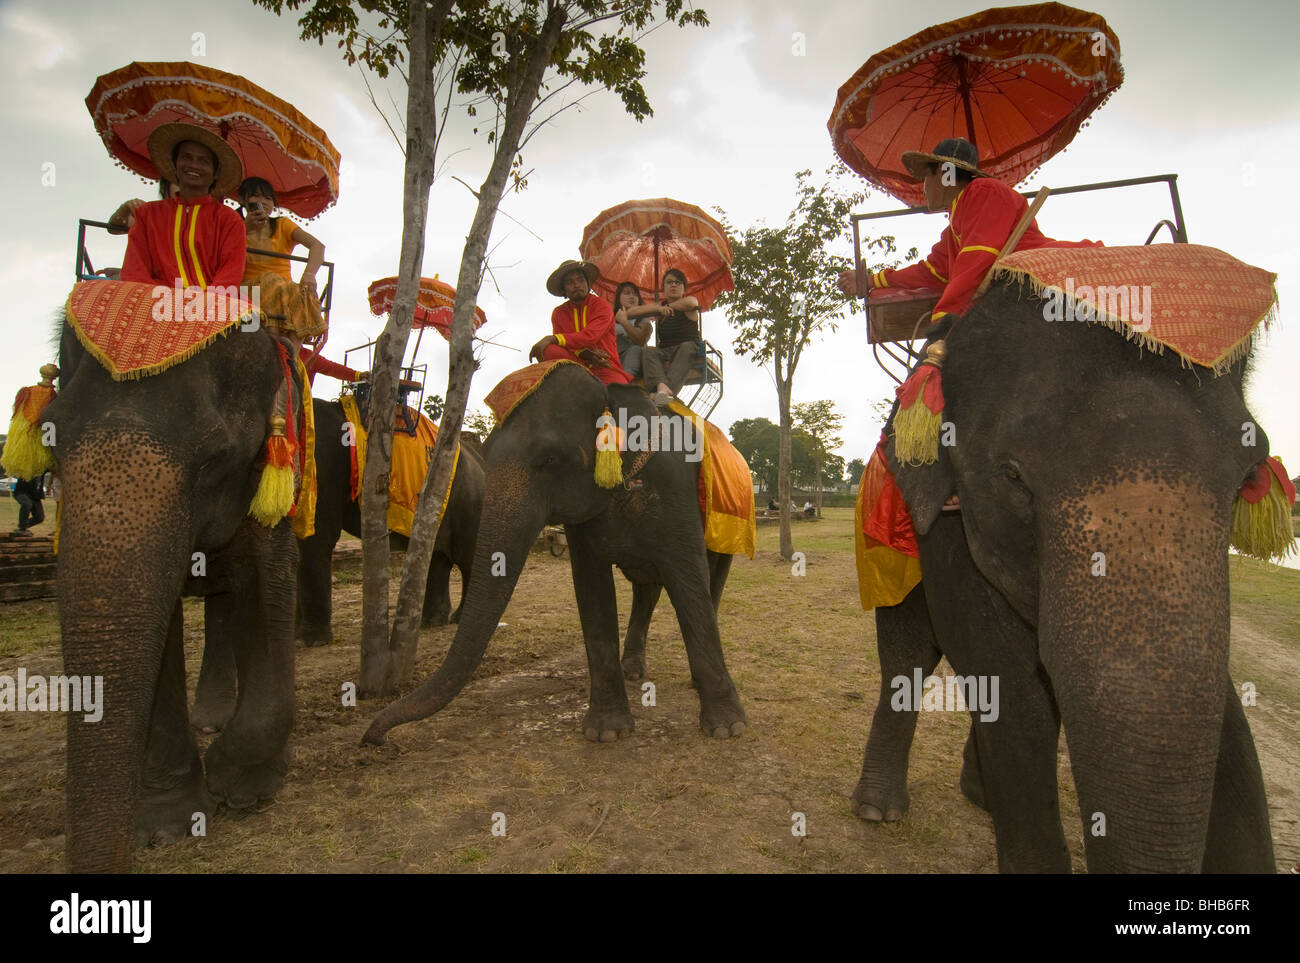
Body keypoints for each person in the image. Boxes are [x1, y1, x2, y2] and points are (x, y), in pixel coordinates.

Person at [837, 138, 1100, 323]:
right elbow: (931, 272)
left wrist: (945, 321)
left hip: (1041, 275)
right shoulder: (955, 225)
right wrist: (872, 280)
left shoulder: (982, 191)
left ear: (943, 174)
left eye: (924, 178)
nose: (923, 187)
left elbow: (977, 259)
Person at [120, 122, 246, 291]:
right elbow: (134, 271)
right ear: (175, 164)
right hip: (154, 302)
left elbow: (230, 274)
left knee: (252, 317)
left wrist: (203, 305)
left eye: (204, 161)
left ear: (215, 173)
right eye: (187, 157)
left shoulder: (229, 219)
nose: (193, 165)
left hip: (214, 305)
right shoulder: (147, 214)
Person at [240, 176, 327, 350]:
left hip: (285, 291)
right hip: (248, 291)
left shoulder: (282, 224)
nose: (262, 202)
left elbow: (317, 246)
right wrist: (245, 228)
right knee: (271, 280)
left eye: (268, 198)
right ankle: (272, 345)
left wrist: (309, 274)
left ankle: (291, 354)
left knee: (301, 290)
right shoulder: (235, 225)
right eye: (255, 196)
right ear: (243, 200)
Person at [529, 260, 631, 386]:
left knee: (624, 401)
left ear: (588, 284)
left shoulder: (602, 305)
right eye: (570, 282)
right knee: (549, 350)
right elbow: (564, 346)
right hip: (576, 364)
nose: (576, 285)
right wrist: (583, 353)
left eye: (580, 280)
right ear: (563, 289)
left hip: (604, 365)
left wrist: (552, 338)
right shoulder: (558, 313)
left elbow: (590, 336)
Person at [640, 268, 701, 407]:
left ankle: (667, 391)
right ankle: (661, 386)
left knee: (687, 347)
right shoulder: (659, 307)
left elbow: (692, 303)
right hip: (665, 350)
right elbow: (637, 311)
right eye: (669, 282)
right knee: (648, 351)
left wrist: (665, 307)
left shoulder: (688, 302)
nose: (673, 285)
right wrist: (658, 309)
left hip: (686, 348)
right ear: (664, 289)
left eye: (678, 282)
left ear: (684, 288)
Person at [611, 281, 655, 379]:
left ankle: (625, 381)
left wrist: (624, 322)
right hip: (613, 358)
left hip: (635, 360)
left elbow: (640, 341)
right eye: (627, 293)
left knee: (635, 349)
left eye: (635, 294)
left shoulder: (643, 320)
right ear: (619, 298)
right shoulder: (610, 319)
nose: (631, 297)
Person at [106, 178, 179, 235]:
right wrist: (125, 208)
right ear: (165, 187)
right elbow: (113, 228)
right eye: (178, 181)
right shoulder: (154, 214)